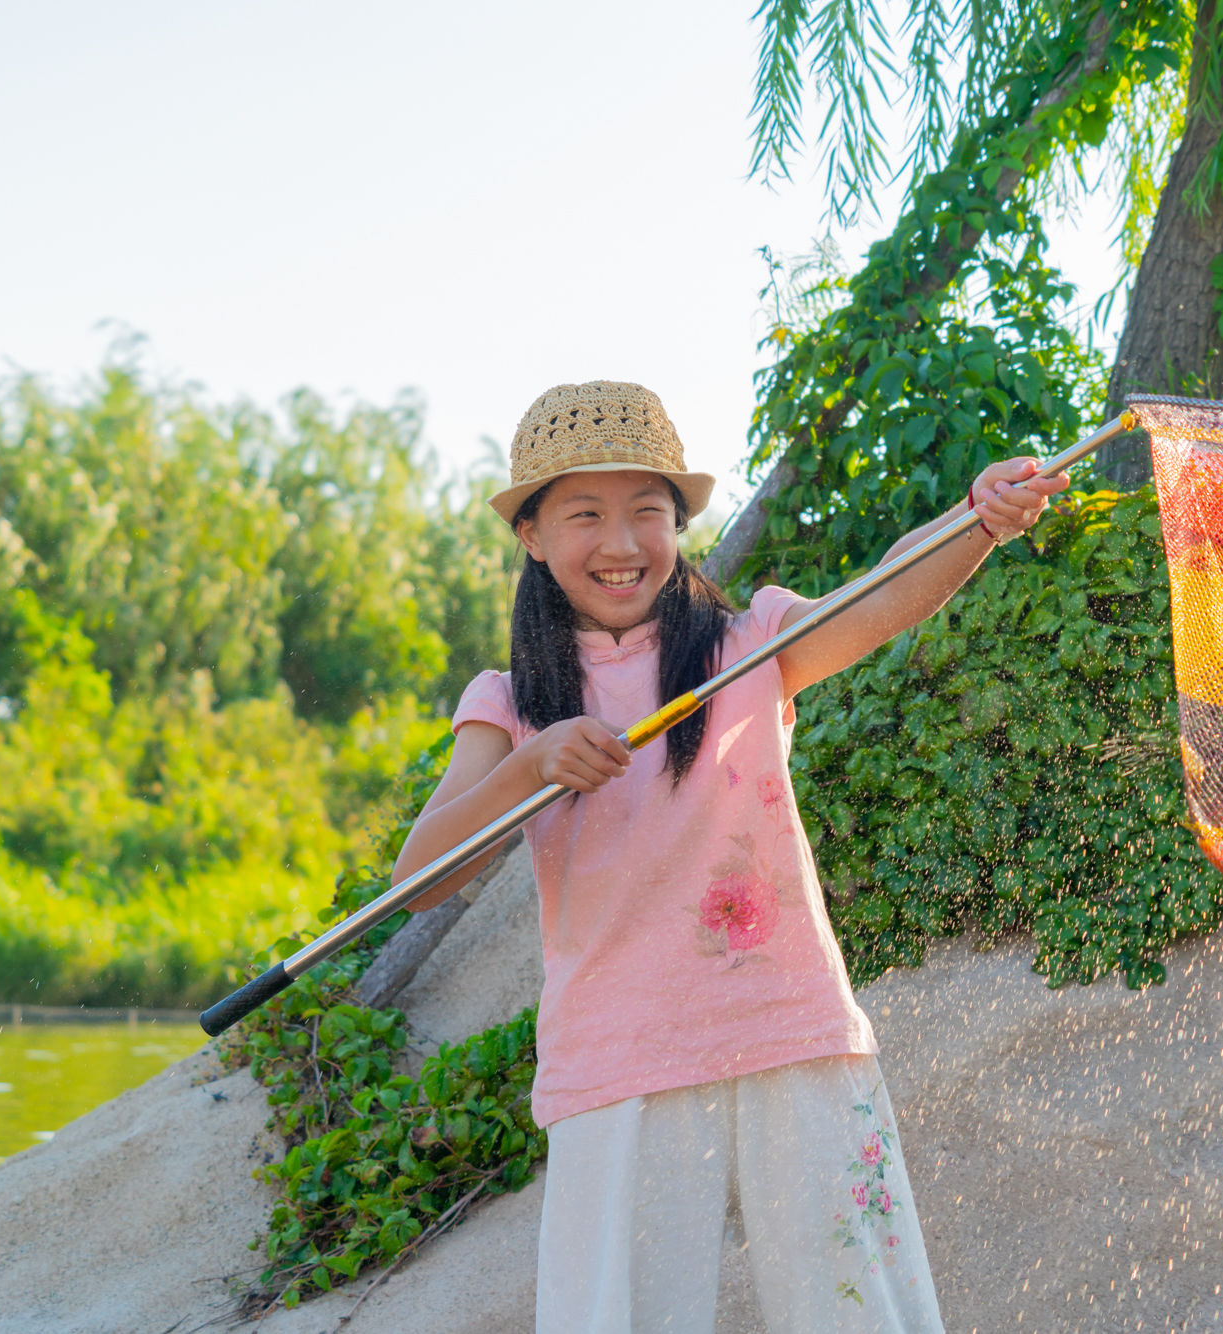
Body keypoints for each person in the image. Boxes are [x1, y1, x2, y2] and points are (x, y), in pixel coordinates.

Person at [390, 381, 1068, 1333]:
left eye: (647, 513)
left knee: (857, 1312)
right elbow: (422, 879)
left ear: (678, 525)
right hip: (613, 1056)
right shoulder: (507, 697)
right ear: (533, 536)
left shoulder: (745, 646)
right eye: (585, 514)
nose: (621, 545)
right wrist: (532, 766)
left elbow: (879, 595)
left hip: (789, 1023)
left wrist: (978, 521)